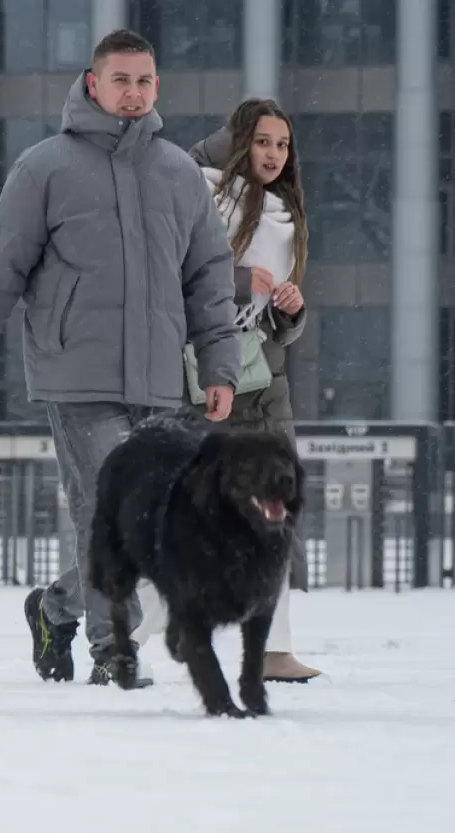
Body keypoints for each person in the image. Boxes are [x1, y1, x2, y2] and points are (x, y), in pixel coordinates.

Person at [0, 29, 242, 686]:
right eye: (121, 80)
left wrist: (220, 366)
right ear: (93, 83)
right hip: (77, 373)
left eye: (144, 81)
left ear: (156, 88)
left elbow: (210, 279)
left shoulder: (179, 174)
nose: (133, 93)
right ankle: (115, 650)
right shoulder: (45, 167)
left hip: (160, 380)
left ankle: (55, 607)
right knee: (108, 511)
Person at [131, 98, 322, 684]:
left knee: (275, 513)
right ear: (241, 142)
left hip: (265, 384)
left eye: (283, 145)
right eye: (263, 142)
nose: (273, 154)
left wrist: (291, 308)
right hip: (202, 382)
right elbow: (170, 278)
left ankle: (273, 648)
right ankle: (96, 616)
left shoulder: (286, 213)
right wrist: (240, 282)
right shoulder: (200, 193)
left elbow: (277, 321)